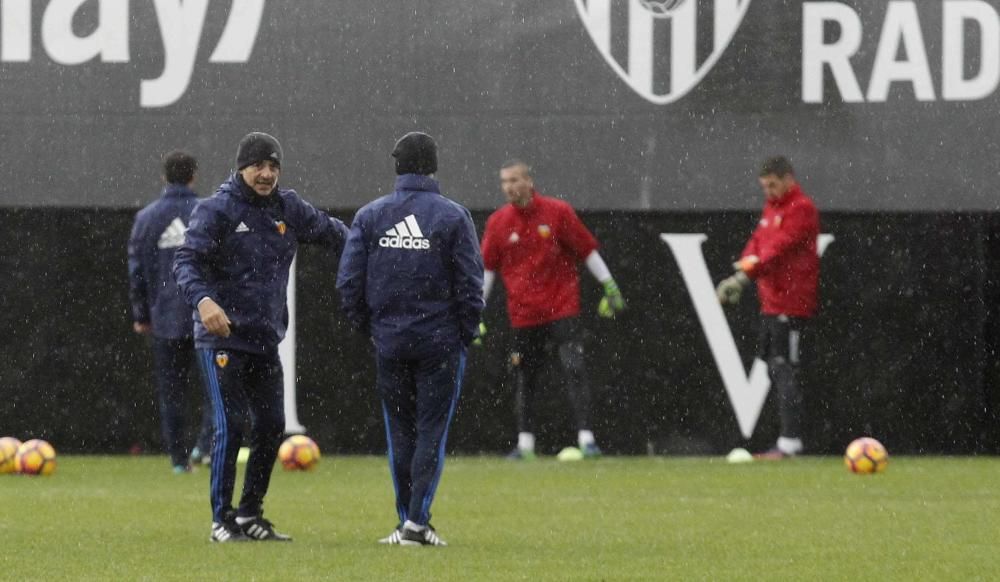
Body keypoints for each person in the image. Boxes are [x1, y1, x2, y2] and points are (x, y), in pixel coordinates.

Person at [173, 132, 349, 542]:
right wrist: (203, 301)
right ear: (241, 168)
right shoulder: (217, 209)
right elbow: (186, 261)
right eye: (258, 166)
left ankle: (251, 514)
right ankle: (222, 520)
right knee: (231, 426)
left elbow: (337, 234)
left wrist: (378, 242)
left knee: (271, 425)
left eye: (273, 166)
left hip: (263, 339)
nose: (266, 174)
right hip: (221, 338)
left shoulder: (287, 207)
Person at [337, 132, 484, 547]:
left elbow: (349, 283)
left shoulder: (370, 216)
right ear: (434, 166)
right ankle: (417, 525)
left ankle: (407, 522)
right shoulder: (453, 217)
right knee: (430, 433)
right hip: (439, 343)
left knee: (399, 433)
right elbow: (471, 285)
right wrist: (464, 334)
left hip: (391, 343)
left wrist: (372, 329)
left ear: (397, 165)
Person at [479, 160, 626, 461]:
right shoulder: (498, 222)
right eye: (504, 181)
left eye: (515, 180)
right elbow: (488, 271)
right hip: (522, 315)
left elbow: (587, 250)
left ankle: (587, 440)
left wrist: (610, 285)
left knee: (574, 369)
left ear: (529, 182)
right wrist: (474, 311)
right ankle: (525, 445)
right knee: (524, 378)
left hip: (562, 308)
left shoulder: (558, 213)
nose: (509, 187)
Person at [715, 155, 820, 459]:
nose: (769, 191)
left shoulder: (802, 209)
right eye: (765, 186)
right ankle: (788, 439)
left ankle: (791, 442)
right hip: (771, 302)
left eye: (773, 185)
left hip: (793, 303)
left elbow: (777, 250)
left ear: (789, 179)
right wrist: (741, 272)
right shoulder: (771, 208)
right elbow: (758, 243)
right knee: (776, 367)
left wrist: (744, 277)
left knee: (786, 369)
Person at [128, 150, 214, 474]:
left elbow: (136, 270)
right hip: (204, 315)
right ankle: (204, 447)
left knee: (172, 393)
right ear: (194, 175)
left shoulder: (147, 218)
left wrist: (141, 315)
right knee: (215, 388)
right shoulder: (206, 212)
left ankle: (179, 460)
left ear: (164, 177)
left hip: (164, 319)